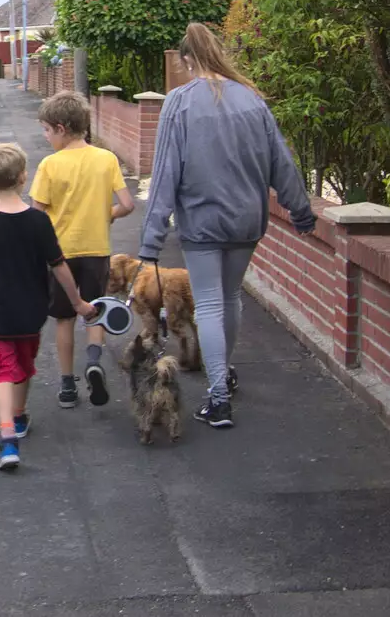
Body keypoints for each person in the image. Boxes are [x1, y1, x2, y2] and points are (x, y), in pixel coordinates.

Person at [139, 22, 316, 430]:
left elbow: (165, 171)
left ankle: (218, 397)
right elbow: (281, 164)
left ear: (187, 61)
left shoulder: (179, 103)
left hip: (202, 222)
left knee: (211, 304)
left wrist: (151, 242)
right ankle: (224, 374)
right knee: (230, 296)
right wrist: (301, 212)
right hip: (248, 221)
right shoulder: (251, 99)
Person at [0, 142, 93, 471]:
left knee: (3, 371)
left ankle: (8, 439)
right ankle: (18, 418)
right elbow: (59, 265)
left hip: (0, 312)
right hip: (32, 311)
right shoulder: (38, 221)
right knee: (24, 363)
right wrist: (77, 302)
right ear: (23, 177)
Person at [30, 91, 135, 408]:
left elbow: (36, 215)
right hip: (96, 250)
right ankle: (93, 362)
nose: (46, 137)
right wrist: (107, 215)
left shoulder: (50, 165)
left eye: (47, 131)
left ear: (61, 128)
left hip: (60, 254)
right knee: (95, 311)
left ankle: (66, 384)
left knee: (64, 318)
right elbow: (127, 205)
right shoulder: (106, 159)